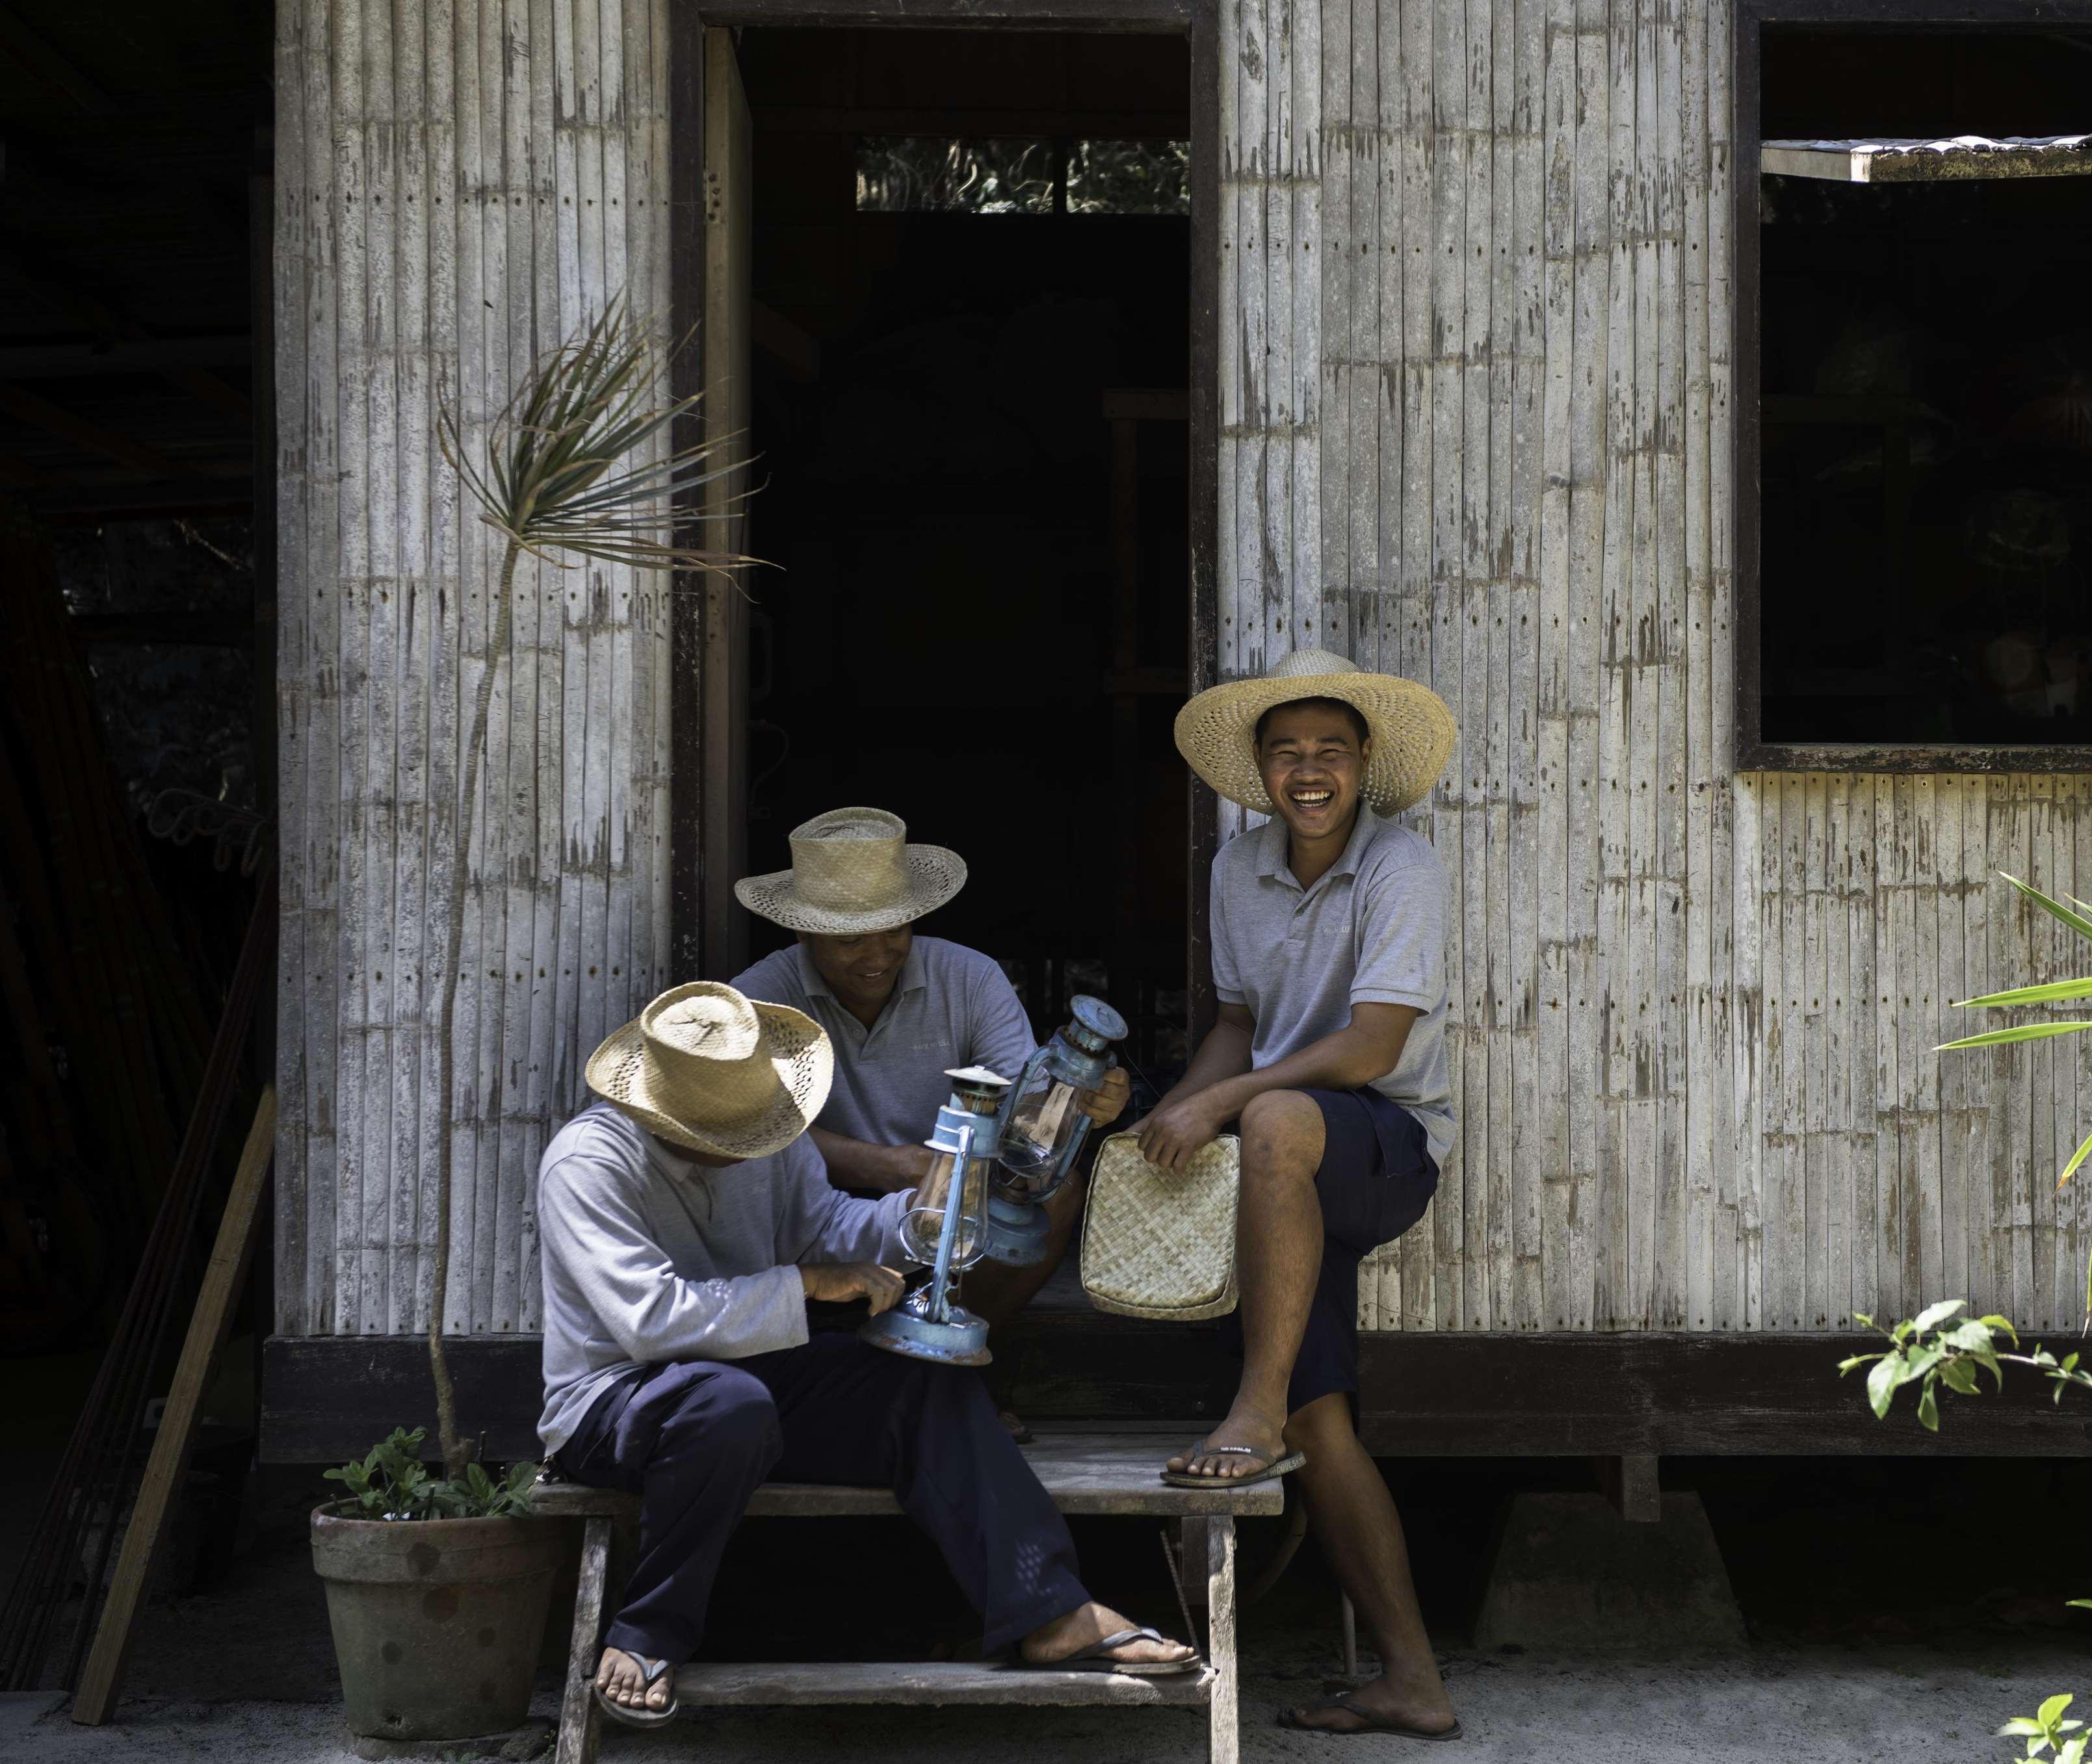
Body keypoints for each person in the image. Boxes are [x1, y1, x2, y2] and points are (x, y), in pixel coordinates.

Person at [536, 981, 1192, 1730]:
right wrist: (810, 1284)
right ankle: (647, 1631)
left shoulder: (759, 1127)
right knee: (727, 1407)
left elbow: (823, 1227)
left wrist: (924, 1213)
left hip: (745, 1375)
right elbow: (652, 1324)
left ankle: (1050, 1610)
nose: (749, 1139)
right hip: (616, 1401)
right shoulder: (587, 1163)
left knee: (918, 1376)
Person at [1131, 647, 1462, 1742]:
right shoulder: (1237, 869)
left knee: (1270, 1119)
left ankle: (1249, 1402)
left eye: (1328, 750)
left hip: (1379, 1145)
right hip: (1281, 1168)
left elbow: (1369, 1048)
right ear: (1260, 771)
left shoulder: (1400, 864)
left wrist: (1225, 1098)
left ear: (1364, 764)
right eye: (1286, 753)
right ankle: (1410, 1678)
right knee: (1326, 1421)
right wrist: (1171, 1116)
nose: (1306, 770)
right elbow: (1233, 1016)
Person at [729, 807, 1127, 1427]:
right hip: (813, 1193)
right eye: (850, 938)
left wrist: (1077, 1103)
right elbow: (750, 1132)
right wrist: (888, 1164)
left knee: (1054, 1194)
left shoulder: (968, 977)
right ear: (803, 934)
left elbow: (1024, 1107)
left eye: (894, 930)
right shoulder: (760, 992)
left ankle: (943, 1376)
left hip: (951, 1186)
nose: (877, 955)